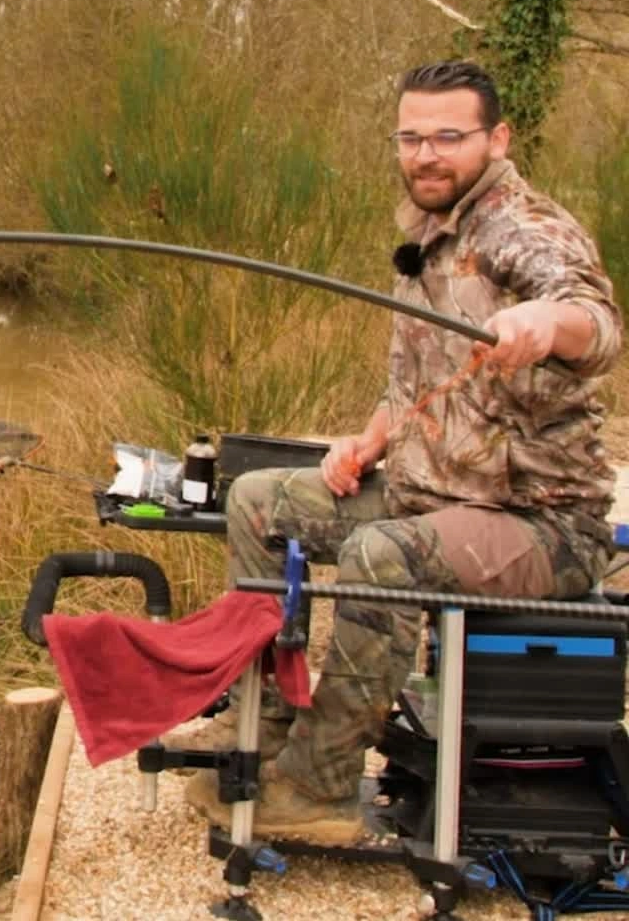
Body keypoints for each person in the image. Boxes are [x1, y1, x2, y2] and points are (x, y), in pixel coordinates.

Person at [174, 59, 623, 845]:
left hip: (543, 527)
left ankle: (321, 787)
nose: (426, 155)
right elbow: (418, 385)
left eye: (449, 137)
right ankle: (272, 729)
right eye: (411, 137)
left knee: (383, 554)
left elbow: (596, 321)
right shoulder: (427, 235)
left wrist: (548, 324)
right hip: (433, 495)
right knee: (253, 500)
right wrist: (366, 442)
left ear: (496, 139)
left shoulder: (525, 230)